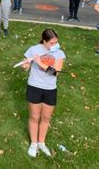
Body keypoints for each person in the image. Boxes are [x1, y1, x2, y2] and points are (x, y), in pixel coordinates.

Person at [20, 29, 65, 158]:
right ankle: (33, 143)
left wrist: (40, 62)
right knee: (34, 117)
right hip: (34, 86)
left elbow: (56, 72)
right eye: (52, 43)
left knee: (45, 118)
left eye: (56, 42)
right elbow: (26, 67)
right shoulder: (34, 49)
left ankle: (41, 143)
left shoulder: (59, 53)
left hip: (50, 89)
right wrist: (25, 65)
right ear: (44, 41)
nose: (55, 45)